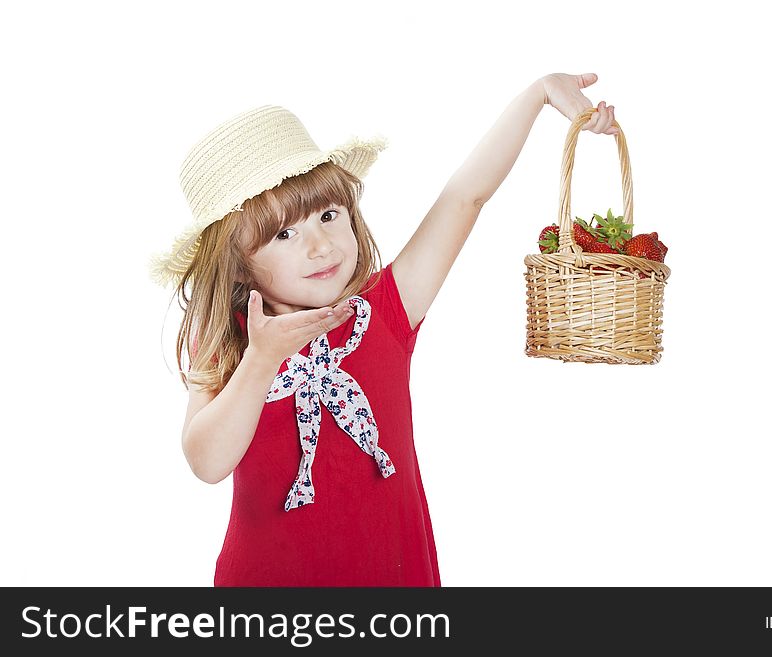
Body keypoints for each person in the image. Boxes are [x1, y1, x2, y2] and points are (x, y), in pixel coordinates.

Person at [149, 73, 618, 587]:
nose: (320, 245)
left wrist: (539, 94)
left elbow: (466, 196)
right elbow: (207, 462)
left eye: (329, 214)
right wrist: (262, 359)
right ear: (238, 264)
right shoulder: (226, 341)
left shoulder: (385, 309)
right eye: (285, 233)